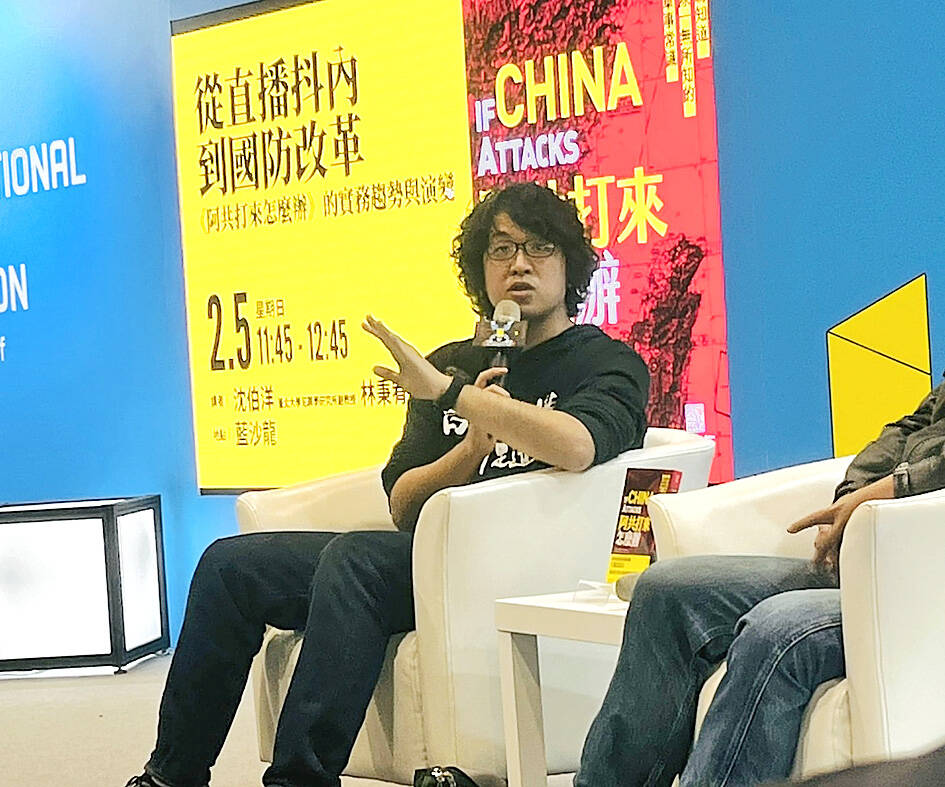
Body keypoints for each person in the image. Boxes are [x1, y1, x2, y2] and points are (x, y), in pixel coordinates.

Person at [126, 182, 650, 787]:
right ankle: (171, 775)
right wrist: (469, 448)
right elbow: (404, 504)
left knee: (357, 560)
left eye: (539, 247)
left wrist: (457, 396)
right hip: (430, 558)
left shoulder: (604, 361)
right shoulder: (452, 361)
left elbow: (579, 445)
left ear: (569, 264)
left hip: (526, 566)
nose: (520, 265)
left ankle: (299, 780)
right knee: (230, 566)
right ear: (480, 268)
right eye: (502, 249)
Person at [575, 381, 945, 787]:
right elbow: (911, 427)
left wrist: (892, 491)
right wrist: (852, 495)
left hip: (924, 583)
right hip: (867, 560)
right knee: (666, 590)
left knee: (778, 626)